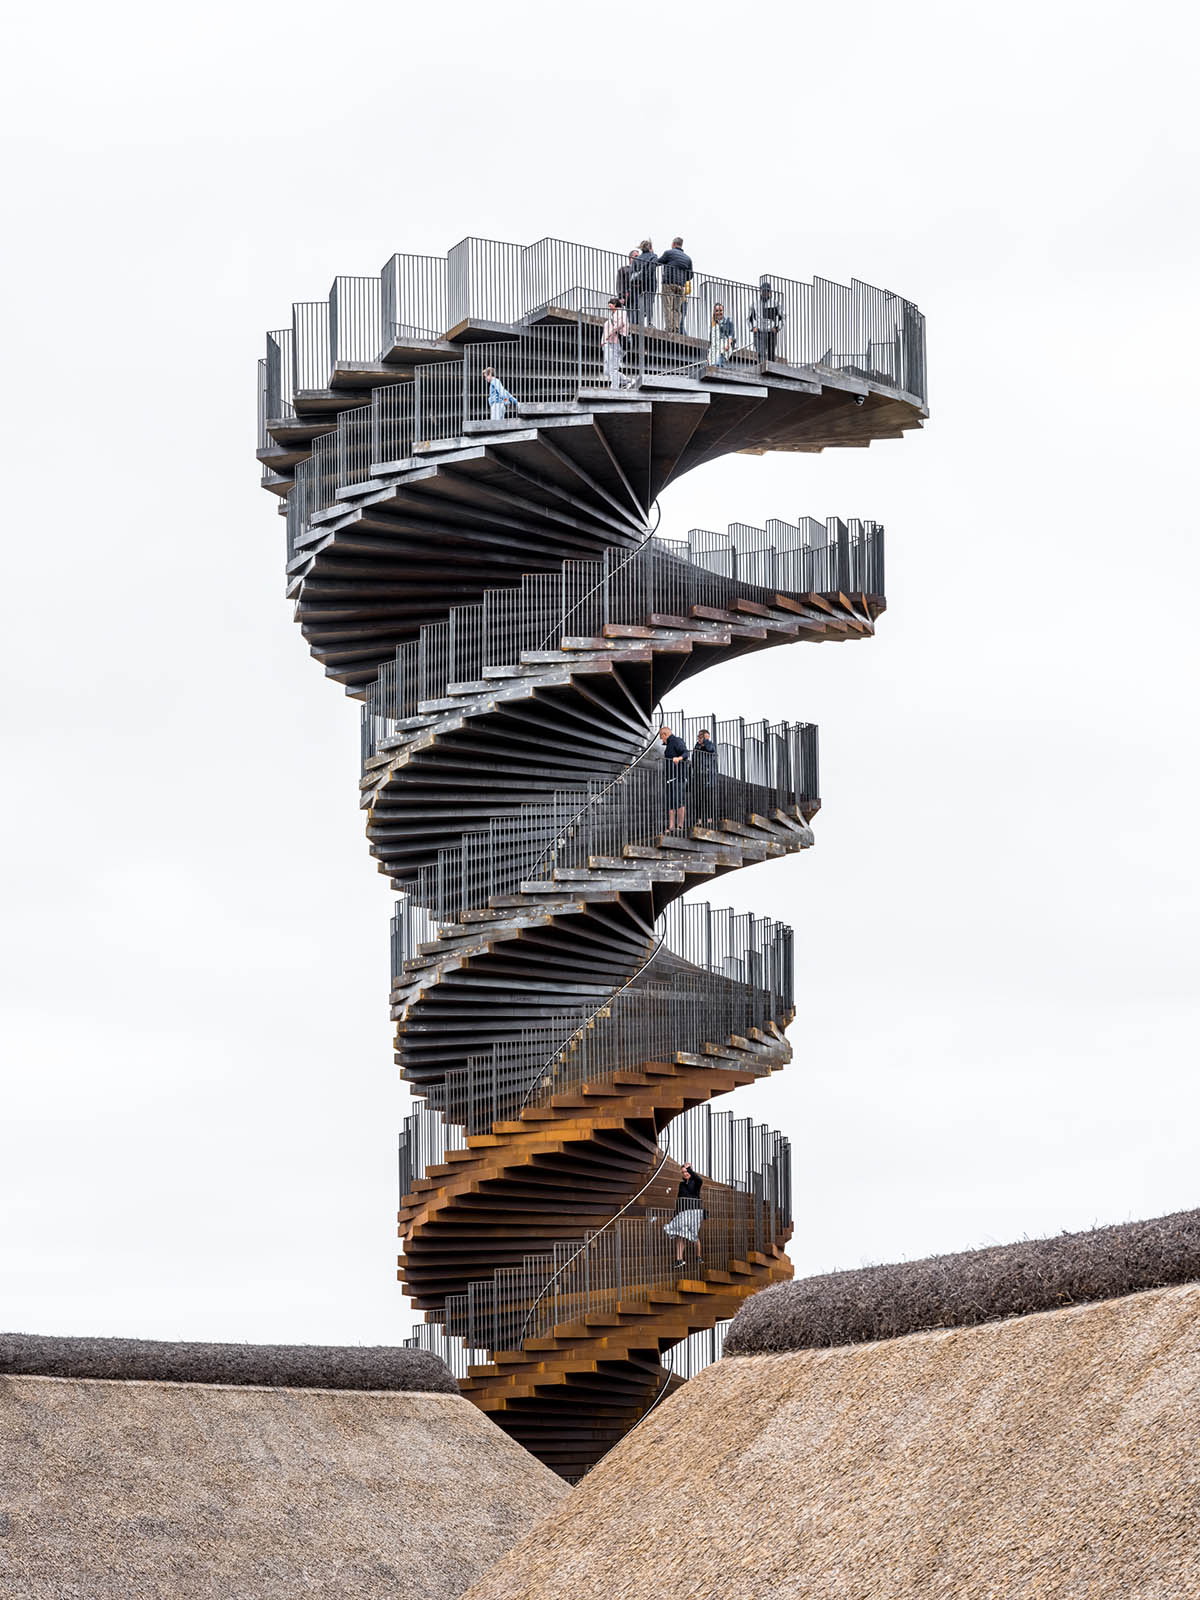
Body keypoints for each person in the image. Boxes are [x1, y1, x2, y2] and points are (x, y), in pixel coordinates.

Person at [663, 1162, 704, 1268]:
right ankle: (679, 1259)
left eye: (686, 1172)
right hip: (683, 1213)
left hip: (694, 1212)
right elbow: (679, 1199)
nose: (685, 1174)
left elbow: (700, 1180)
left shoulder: (696, 1182)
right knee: (680, 1235)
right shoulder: (681, 1184)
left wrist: (690, 1169)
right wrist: (675, 1214)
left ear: (690, 1171)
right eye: (683, 1172)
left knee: (694, 1235)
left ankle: (698, 1257)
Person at [657, 236, 693, 336]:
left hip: (668, 283)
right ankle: (676, 328)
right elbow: (690, 275)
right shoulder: (687, 258)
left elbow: (657, 262)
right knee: (676, 308)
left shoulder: (669, 253)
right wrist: (682, 279)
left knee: (668, 306)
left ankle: (669, 329)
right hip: (680, 286)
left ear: (673, 244)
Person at [659, 724, 689, 830]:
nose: (661, 739)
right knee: (670, 802)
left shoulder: (676, 741)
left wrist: (679, 758)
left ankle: (680, 826)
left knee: (679, 801)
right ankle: (671, 826)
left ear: (665, 734)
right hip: (670, 778)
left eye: (661, 737)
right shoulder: (668, 744)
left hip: (678, 777)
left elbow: (686, 752)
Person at [749, 277, 785, 363]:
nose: (765, 293)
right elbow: (748, 318)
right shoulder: (755, 304)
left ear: (770, 292)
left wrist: (777, 328)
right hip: (759, 332)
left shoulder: (775, 304)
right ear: (761, 292)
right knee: (760, 353)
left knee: (771, 354)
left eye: (767, 291)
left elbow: (782, 318)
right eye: (763, 291)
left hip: (771, 332)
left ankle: (771, 371)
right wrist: (752, 328)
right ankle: (761, 371)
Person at [602, 298, 632, 390]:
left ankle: (614, 388)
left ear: (615, 304)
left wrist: (610, 333)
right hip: (609, 343)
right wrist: (603, 342)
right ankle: (627, 381)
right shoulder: (613, 315)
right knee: (607, 370)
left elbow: (620, 324)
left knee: (613, 368)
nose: (609, 306)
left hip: (615, 343)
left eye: (610, 304)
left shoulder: (620, 312)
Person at [691, 728, 718, 825]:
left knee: (708, 798)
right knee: (698, 798)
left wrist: (705, 740)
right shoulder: (696, 746)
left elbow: (710, 750)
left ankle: (710, 819)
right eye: (698, 736)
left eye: (700, 736)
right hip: (698, 776)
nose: (698, 738)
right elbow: (694, 759)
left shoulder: (710, 745)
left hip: (708, 776)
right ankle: (699, 819)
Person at [631, 240, 659, 328]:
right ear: (650, 247)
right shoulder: (653, 256)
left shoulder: (636, 259)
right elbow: (652, 269)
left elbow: (632, 272)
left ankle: (640, 321)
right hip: (650, 283)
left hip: (639, 284)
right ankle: (650, 323)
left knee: (641, 301)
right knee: (650, 301)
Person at [708, 302, 734, 367]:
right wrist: (708, 353)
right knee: (713, 365)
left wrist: (728, 344)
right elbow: (711, 340)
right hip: (714, 348)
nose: (719, 312)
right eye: (717, 311)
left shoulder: (728, 321)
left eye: (720, 310)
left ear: (723, 311)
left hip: (723, 346)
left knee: (718, 363)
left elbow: (731, 334)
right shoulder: (713, 324)